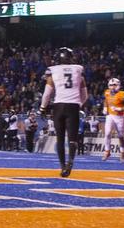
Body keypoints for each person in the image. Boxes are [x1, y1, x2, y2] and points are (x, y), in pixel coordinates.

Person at [38, 47, 88, 178]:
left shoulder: (53, 70)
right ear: (71, 57)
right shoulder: (78, 69)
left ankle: (62, 166)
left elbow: (47, 92)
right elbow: (85, 95)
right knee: (72, 138)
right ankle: (70, 163)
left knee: (60, 138)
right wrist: (79, 104)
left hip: (58, 106)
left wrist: (42, 107)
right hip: (73, 106)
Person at [102, 78, 124, 162]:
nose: (113, 87)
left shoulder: (123, 94)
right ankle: (107, 151)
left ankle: (121, 153)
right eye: (111, 85)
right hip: (110, 116)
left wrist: (119, 109)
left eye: (115, 85)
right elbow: (106, 100)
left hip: (120, 117)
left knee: (120, 136)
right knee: (107, 133)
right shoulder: (107, 92)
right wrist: (105, 107)